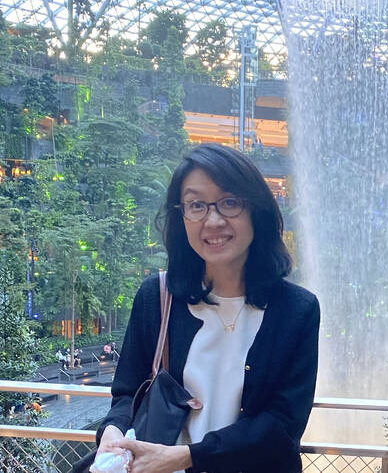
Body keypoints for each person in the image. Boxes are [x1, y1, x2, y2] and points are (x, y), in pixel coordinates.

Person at [94, 144, 320, 473]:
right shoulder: (156, 298)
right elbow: (128, 394)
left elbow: (283, 426)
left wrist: (188, 456)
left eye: (229, 203)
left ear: (256, 210)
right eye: (197, 205)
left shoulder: (296, 310)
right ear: (181, 215)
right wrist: (112, 432)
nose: (213, 220)